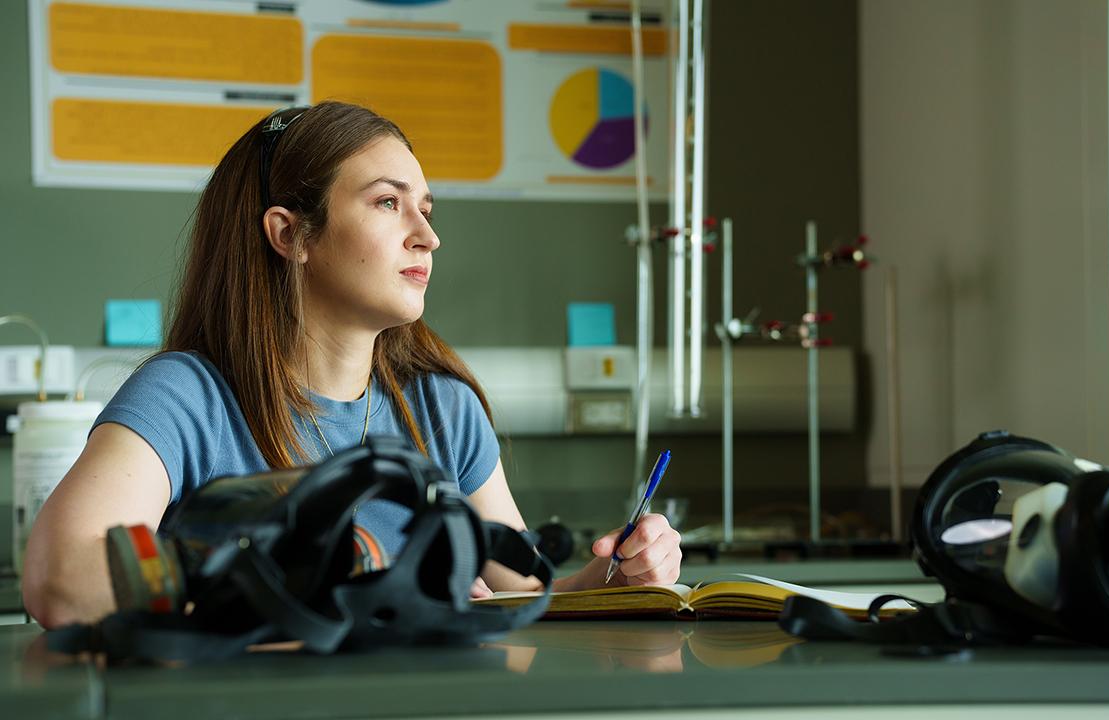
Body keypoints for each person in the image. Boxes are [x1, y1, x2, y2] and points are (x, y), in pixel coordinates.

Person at [22, 101, 682, 628]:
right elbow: (60, 582)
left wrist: (620, 573)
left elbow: (530, 588)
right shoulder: (185, 397)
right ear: (290, 234)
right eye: (388, 203)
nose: (428, 235)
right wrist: (337, 574)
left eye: (425, 209)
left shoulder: (441, 407)